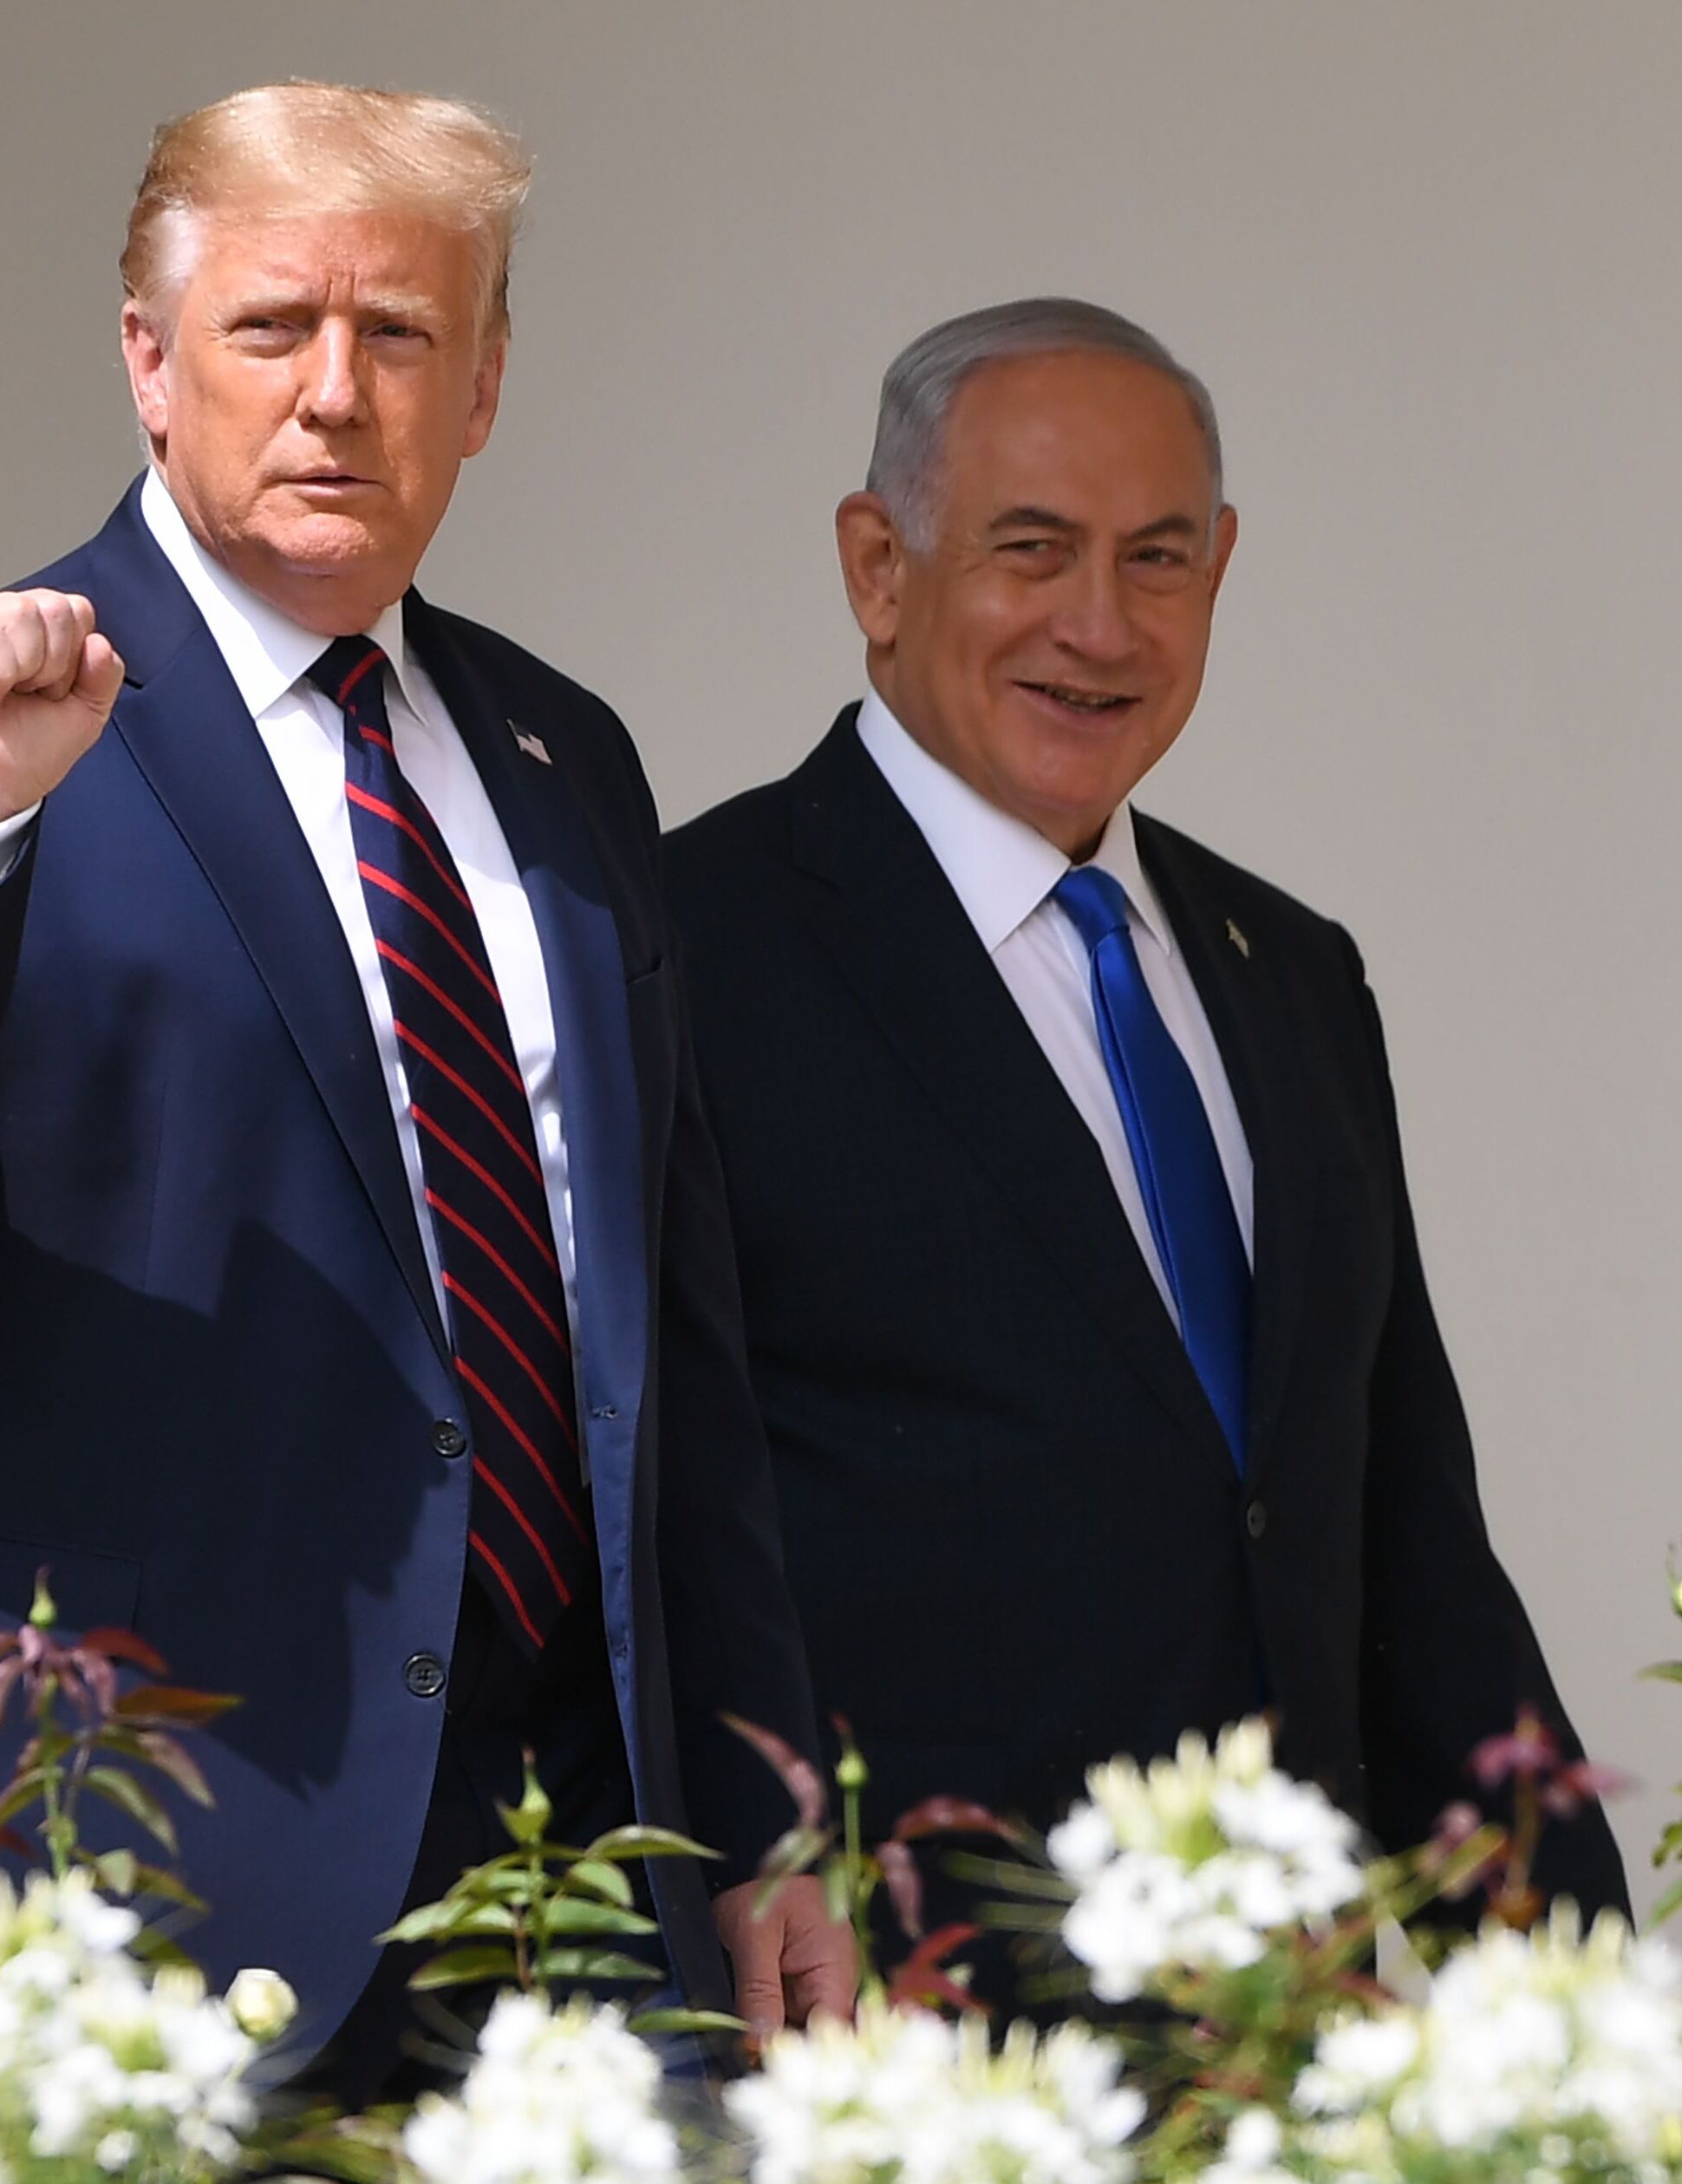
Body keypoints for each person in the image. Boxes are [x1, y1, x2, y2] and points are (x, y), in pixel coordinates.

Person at [0, 82, 852, 2088]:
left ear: (484, 385)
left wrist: (758, 1810)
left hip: (566, 1877)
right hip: (95, 1870)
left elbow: (667, 1341)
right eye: (272, 329)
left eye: (398, 334)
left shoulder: (557, 761)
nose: (336, 393)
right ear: (148, 364)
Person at [661, 298, 1627, 1985]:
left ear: (1220, 570)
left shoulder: (1292, 972)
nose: (1098, 626)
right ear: (877, 567)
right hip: (897, 2036)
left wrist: (1571, 2007)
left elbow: (1400, 1541)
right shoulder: (680, 952)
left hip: (1278, 2035)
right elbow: (646, 1524)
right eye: (1030, 551)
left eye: (1157, 560)